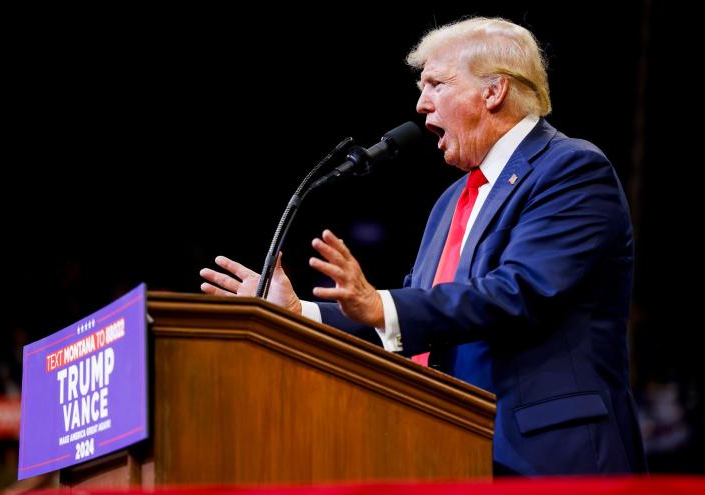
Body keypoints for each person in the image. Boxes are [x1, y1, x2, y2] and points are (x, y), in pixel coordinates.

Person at [200, 17, 647, 475]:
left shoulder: (570, 169)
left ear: (493, 92)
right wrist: (300, 314)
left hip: (550, 458)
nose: (420, 104)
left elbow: (520, 290)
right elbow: (411, 319)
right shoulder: (451, 201)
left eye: (436, 84)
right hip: (451, 452)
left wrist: (381, 305)